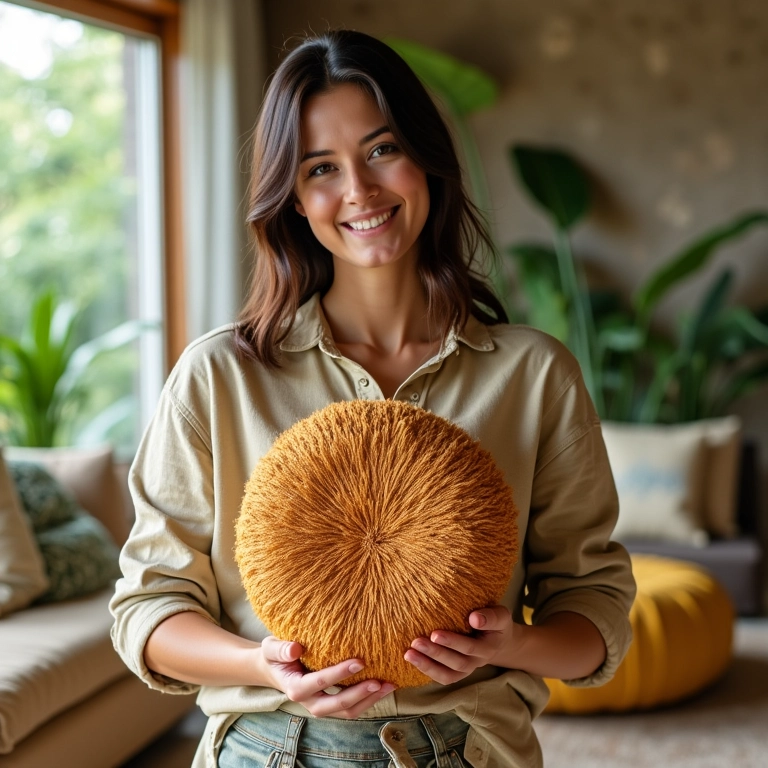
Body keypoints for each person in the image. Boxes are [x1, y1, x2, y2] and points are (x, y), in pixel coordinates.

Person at [110, 29, 635, 768]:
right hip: (270, 745)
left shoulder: (534, 374)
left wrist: (513, 644)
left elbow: (594, 611)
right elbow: (149, 608)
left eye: (382, 149)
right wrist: (263, 665)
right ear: (294, 198)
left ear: (427, 158)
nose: (358, 189)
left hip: (470, 746)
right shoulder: (220, 374)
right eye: (321, 167)